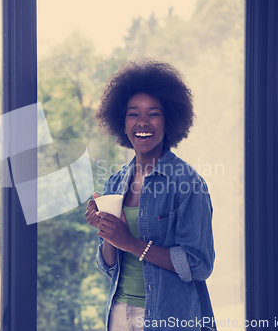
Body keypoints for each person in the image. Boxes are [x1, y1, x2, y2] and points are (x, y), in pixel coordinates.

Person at [85, 59, 216, 331]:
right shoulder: (116, 182)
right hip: (119, 313)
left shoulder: (189, 184)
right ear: (122, 123)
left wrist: (131, 242)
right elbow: (110, 266)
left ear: (169, 121)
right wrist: (107, 231)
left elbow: (199, 264)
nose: (142, 122)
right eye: (133, 114)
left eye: (153, 113)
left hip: (168, 318)